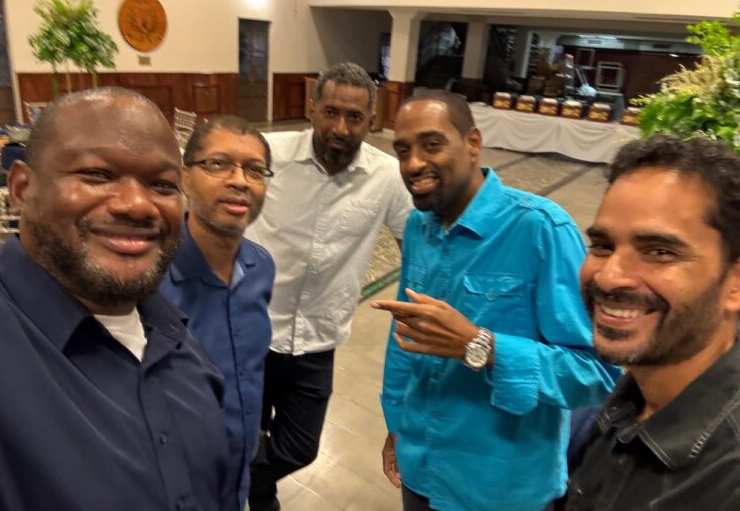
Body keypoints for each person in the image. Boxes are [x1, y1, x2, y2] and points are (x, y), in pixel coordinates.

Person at [0, 88, 233, 511]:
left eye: (162, 185)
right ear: (21, 189)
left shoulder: (177, 337)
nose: (137, 205)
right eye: (97, 174)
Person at [375, 90, 618, 511]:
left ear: (472, 143)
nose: (413, 164)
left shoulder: (540, 229)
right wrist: (396, 423)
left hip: (500, 490)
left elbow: (598, 373)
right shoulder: (418, 227)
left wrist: (483, 346)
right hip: (420, 467)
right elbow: (405, 338)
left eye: (431, 144)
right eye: (402, 151)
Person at [245, 62, 413, 511]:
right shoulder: (267, 154)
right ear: (312, 108)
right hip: (252, 331)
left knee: (299, 447)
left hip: (317, 341)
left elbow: (416, 248)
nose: (340, 128)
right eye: (331, 112)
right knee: (246, 432)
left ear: (371, 120)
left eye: (354, 117)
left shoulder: (387, 176)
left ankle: (230, 477)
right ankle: (261, 501)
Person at [562, 135, 740, 511]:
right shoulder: (635, 396)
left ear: (735, 283)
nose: (609, 277)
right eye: (603, 246)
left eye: (660, 252)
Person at [160, 116, 275, 511]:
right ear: (185, 178)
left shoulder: (261, 267)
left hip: (238, 473)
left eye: (255, 170)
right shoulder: (150, 282)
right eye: (219, 164)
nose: (240, 180)